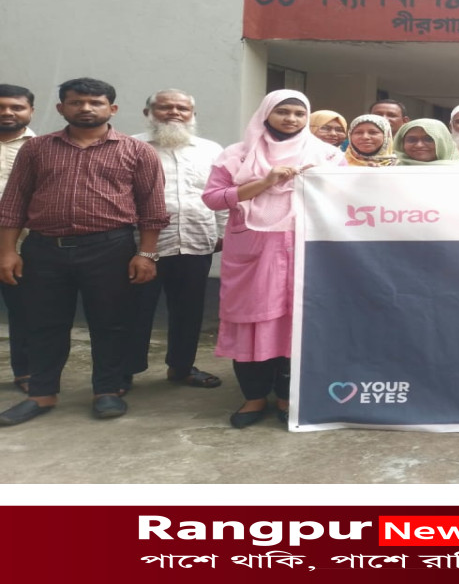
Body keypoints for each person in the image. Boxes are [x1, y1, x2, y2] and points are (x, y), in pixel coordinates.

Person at [0, 78, 168, 425]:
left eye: (95, 102)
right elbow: (13, 203)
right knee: (43, 324)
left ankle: (106, 391)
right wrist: (8, 252)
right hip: (44, 249)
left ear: (112, 108)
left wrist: (147, 254)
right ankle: (41, 393)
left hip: (110, 248)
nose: (86, 108)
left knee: (111, 323)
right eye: (76, 102)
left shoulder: (138, 151)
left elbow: (152, 208)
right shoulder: (36, 149)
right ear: (61, 108)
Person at [201, 90, 345, 428]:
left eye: (299, 113)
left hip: (307, 251)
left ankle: (286, 398)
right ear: (266, 113)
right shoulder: (237, 154)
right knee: (251, 322)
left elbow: (345, 199)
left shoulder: (327, 155)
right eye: (283, 111)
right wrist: (265, 182)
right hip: (253, 253)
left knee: (296, 323)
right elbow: (213, 199)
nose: (291, 119)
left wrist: (321, 182)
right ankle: (253, 398)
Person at [126, 89, 227, 391]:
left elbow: (220, 192)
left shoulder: (210, 150)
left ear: (192, 115)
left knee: (189, 311)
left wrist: (222, 232)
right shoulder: (130, 147)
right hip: (142, 246)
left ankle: (181, 367)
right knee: (135, 311)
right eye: (165, 107)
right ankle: (125, 371)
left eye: (182, 108)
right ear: (148, 113)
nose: (174, 113)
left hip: (196, 240)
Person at [0, 84, 36, 394]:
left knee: (25, 311)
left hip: (22, 246)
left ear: (30, 111)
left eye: (16, 107)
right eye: (1, 107)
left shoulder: (42, 148)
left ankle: (26, 371)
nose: (7, 113)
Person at [395, 119, 459, 165]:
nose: (419, 145)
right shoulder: (393, 171)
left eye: (429, 139)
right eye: (412, 140)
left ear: (444, 142)